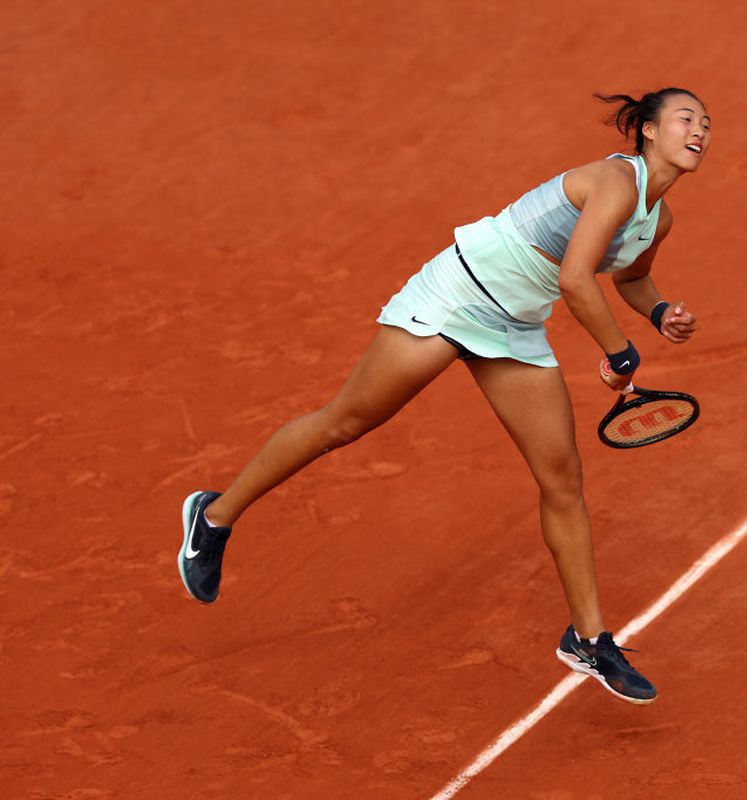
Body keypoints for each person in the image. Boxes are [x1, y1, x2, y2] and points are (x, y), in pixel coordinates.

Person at [178, 87, 711, 705]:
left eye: (705, 123)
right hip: (456, 295)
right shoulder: (616, 182)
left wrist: (660, 311)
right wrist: (620, 355)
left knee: (561, 477)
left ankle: (588, 637)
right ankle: (213, 516)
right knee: (347, 423)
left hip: (515, 323)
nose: (698, 130)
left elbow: (631, 275)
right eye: (685, 118)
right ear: (647, 130)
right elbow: (573, 278)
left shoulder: (657, 216)